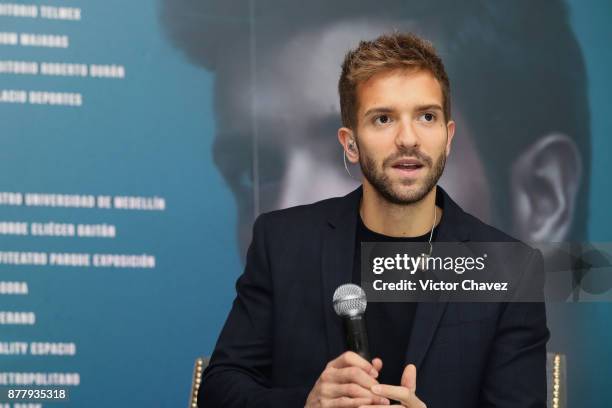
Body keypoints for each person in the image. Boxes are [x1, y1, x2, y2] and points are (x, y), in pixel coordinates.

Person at [196, 32, 549, 408]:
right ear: (350, 143)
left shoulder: (509, 269)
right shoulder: (283, 242)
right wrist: (307, 404)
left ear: (448, 138)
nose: (408, 138)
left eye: (426, 116)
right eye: (383, 119)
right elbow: (219, 390)